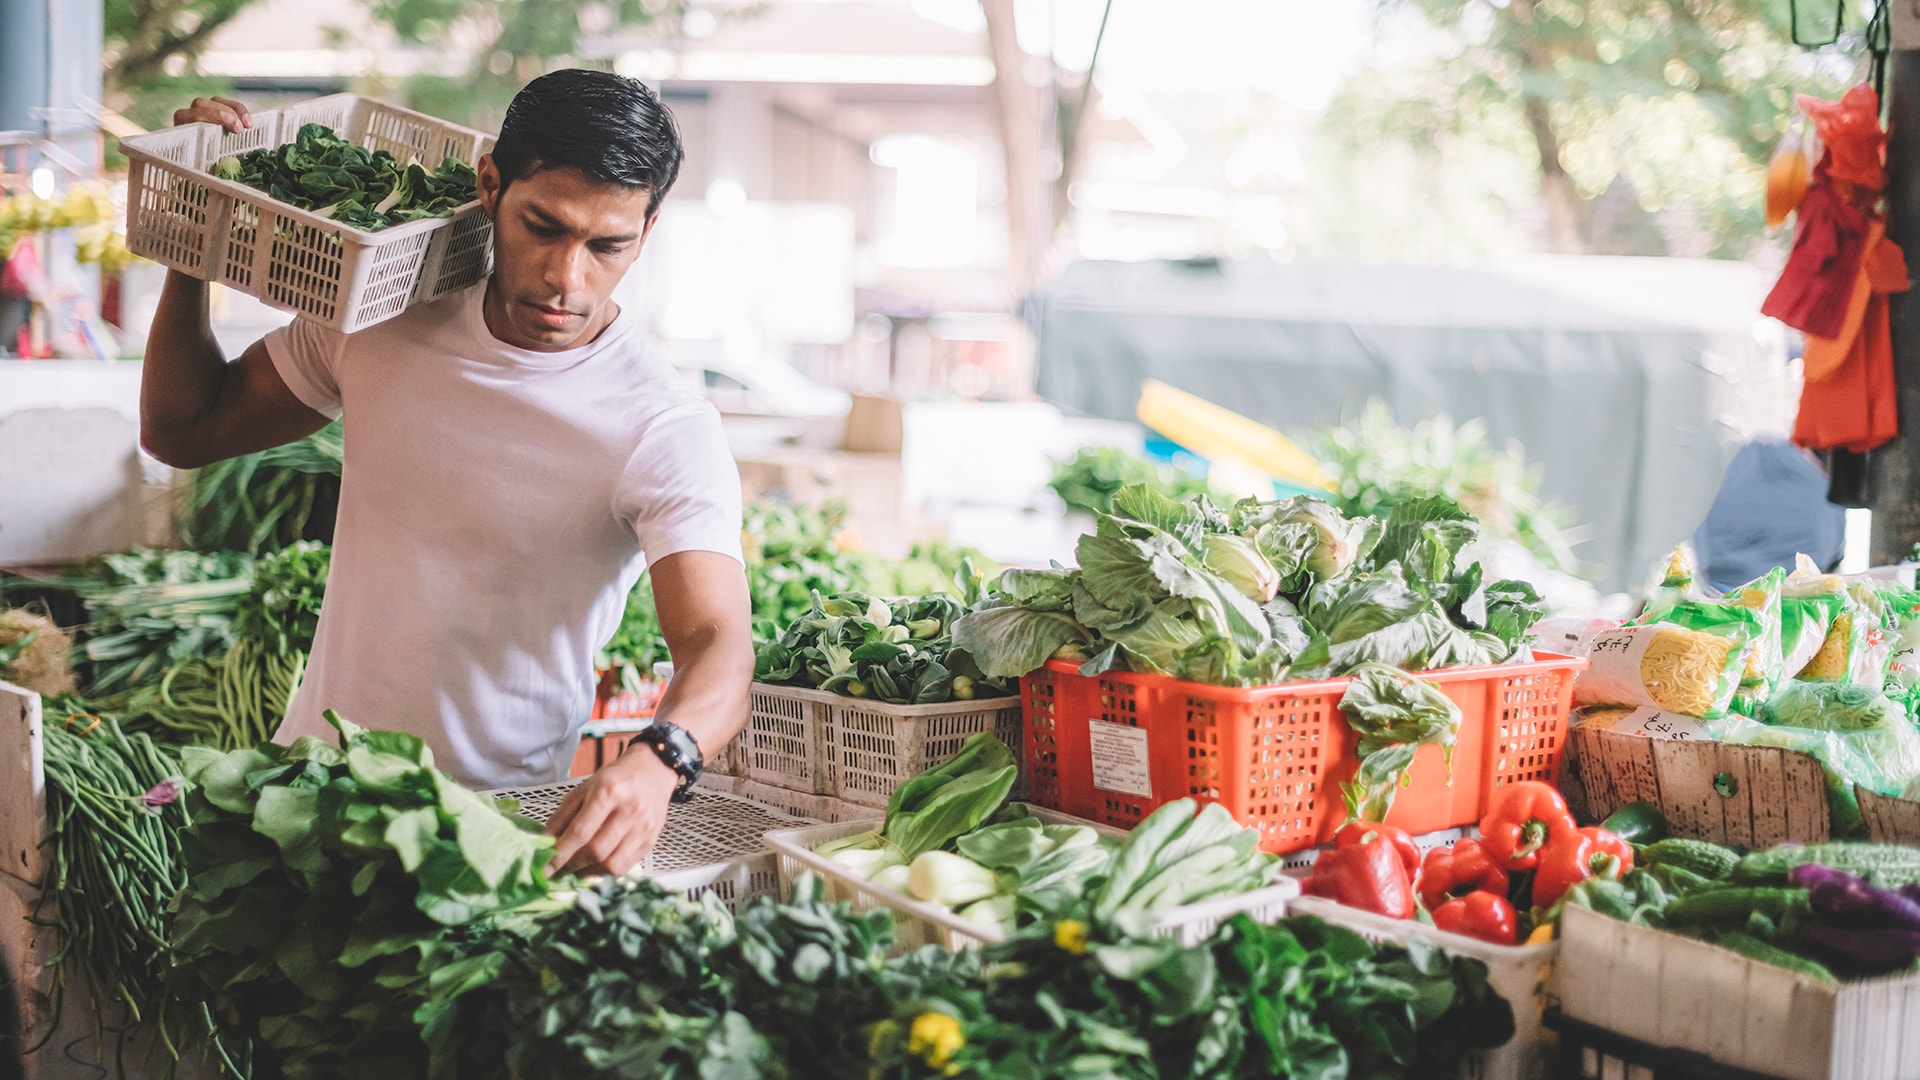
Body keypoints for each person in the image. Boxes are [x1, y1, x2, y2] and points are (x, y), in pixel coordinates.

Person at [141, 71, 753, 878]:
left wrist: (659, 757)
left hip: (491, 836)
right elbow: (183, 428)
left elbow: (719, 646)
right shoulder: (381, 312)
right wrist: (197, 233)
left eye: (609, 245)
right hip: (309, 794)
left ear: (649, 227)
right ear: (491, 184)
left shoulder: (663, 426)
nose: (567, 277)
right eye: (544, 226)